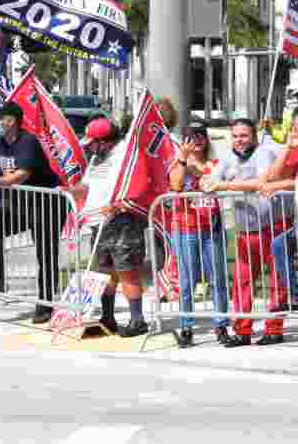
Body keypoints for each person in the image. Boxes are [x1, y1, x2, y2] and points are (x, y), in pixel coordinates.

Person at [69, 116, 156, 337]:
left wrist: (118, 206)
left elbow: (139, 185)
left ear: (105, 141)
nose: (90, 148)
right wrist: (71, 190)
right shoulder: (98, 158)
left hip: (123, 222)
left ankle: (137, 320)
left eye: (93, 143)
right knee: (105, 272)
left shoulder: (126, 156)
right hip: (99, 222)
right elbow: (87, 184)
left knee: (127, 272)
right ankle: (108, 317)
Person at [202, 118, 283, 349]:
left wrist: (225, 185)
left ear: (254, 136)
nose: (239, 140)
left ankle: (274, 329)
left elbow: (260, 182)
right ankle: (242, 331)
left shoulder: (264, 153)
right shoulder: (228, 158)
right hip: (245, 230)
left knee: (277, 282)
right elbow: (212, 178)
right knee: (242, 281)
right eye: (235, 136)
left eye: (244, 135)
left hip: (271, 226)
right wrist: (206, 181)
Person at [0, 101, 63, 324]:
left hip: (46, 203)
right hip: (20, 203)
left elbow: (22, 175)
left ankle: (45, 302)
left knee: (45, 255)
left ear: (11, 121)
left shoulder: (28, 141)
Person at [166, 122, 230, 348]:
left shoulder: (216, 163)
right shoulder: (178, 162)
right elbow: (175, 185)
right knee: (187, 281)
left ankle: (221, 324)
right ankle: (186, 326)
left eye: (201, 135)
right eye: (192, 136)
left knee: (218, 279)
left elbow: (227, 184)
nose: (198, 140)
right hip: (185, 228)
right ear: (184, 140)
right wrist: (184, 159)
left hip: (211, 227)